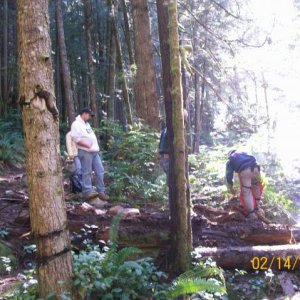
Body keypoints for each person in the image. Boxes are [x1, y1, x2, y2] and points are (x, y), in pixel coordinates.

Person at [71, 108, 109, 200]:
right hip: (85, 151)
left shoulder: (86, 124)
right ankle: (87, 191)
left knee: (100, 170)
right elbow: (76, 138)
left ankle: (101, 191)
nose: (90, 117)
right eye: (89, 115)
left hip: (94, 151)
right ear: (84, 114)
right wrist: (87, 144)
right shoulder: (76, 124)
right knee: (86, 171)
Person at [226, 150, 264, 218]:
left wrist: (230, 185)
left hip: (245, 170)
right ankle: (258, 204)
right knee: (255, 185)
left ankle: (252, 214)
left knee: (246, 192)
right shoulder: (243, 153)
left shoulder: (230, 159)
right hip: (256, 167)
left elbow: (229, 175)